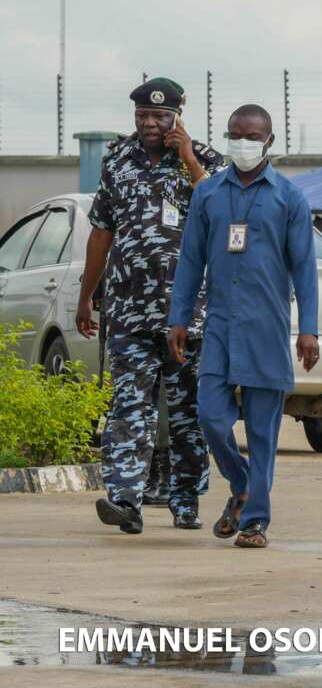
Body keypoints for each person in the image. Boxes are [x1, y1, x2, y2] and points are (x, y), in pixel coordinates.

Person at [167, 104, 320, 549]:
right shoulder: (209, 193)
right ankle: (241, 484)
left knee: (261, 430)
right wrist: (178, 319)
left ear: (269, 141)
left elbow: (304, 268)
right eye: (235, 135)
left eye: (252, 137)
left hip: (266, 329)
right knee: (212, 418)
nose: (242, 144)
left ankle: (255, 520)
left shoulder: (289, 198)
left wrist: (307, 328)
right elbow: (191, 260)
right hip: (218, 327)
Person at [77, 77, 222, 534]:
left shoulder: (207, 161)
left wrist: (190, 160)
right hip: (128, 311)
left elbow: (220, 213)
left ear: (178, 115)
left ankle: (186, 502)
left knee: (187, 413)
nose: (151, 123)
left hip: (189, 314)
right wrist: (87, 295)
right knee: (128, 408)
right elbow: (102, 230)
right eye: (143, 116)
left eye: (160, 116)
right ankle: (126, 502)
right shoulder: (117, 160)